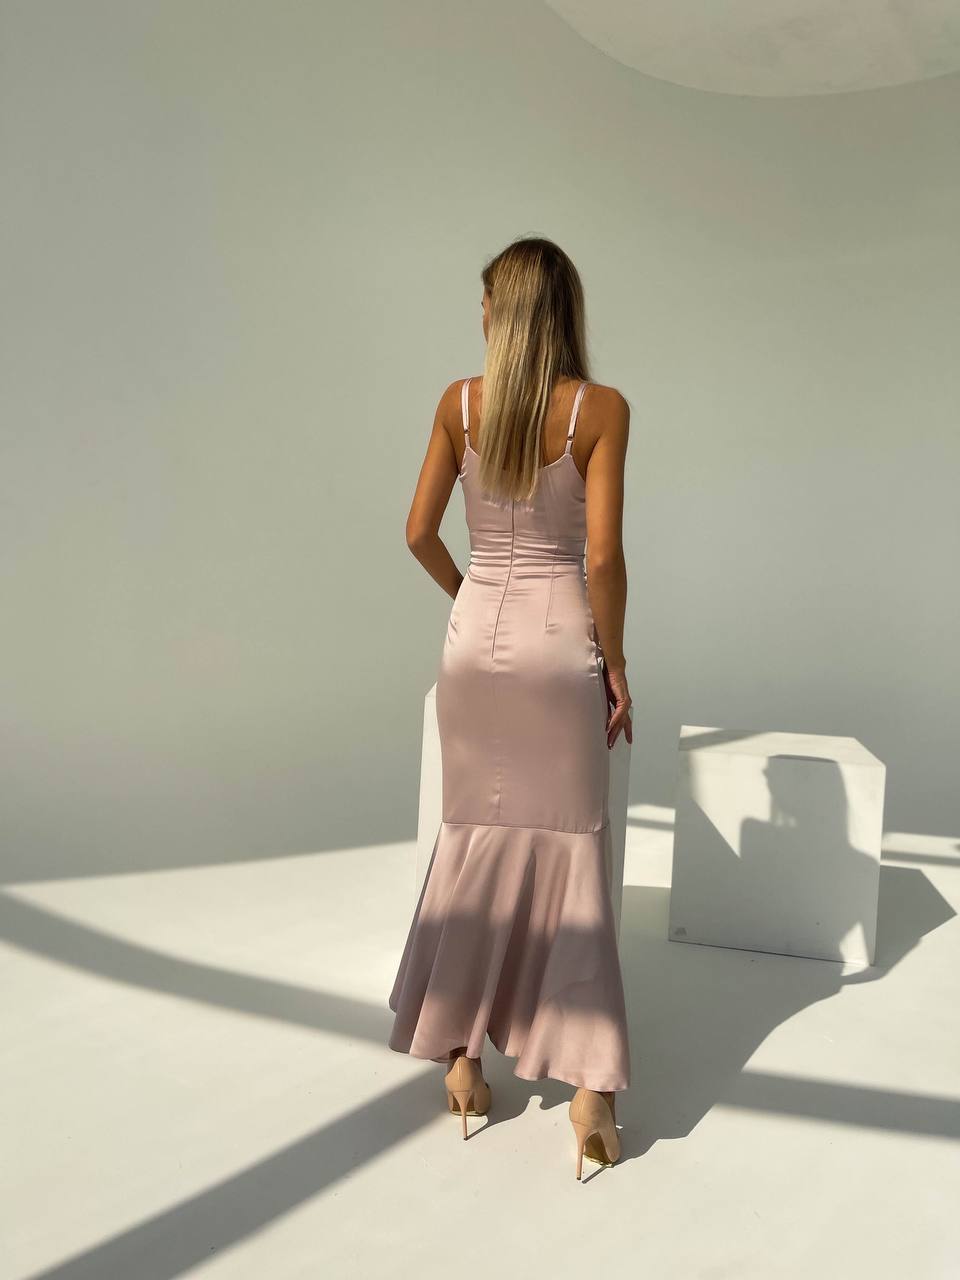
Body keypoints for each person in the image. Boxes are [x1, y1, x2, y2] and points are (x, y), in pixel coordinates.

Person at [387, 235, 633, 1180]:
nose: (479, 317)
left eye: (486, 302)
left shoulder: (460, 404)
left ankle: (462, 1060)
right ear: (565, 313)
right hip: (558, 636)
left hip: (474, 643)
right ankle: (590, 1092)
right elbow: (602, 560)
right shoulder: (600, 411)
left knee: (472, 841)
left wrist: (468, 595)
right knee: (571, 852)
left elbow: (417, 532)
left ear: (505, 311)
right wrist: (616, 663)